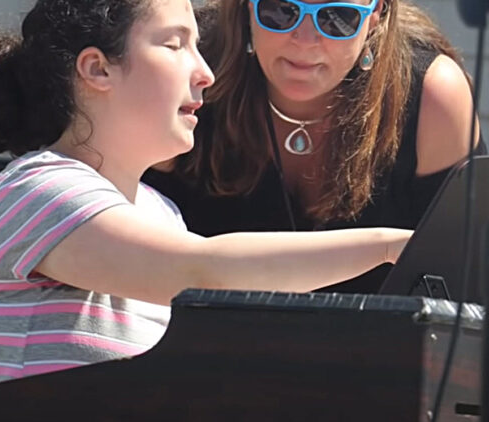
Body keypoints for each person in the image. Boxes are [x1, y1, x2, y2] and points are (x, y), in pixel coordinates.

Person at [0, 0, 411, 422]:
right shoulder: (36, 190)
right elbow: (202, 271)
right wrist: (389, 246)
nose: (205, 73)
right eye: (176, 44)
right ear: (97, 69)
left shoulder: (162, 215)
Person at [142, 0, 486, 291]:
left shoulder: (432, 95)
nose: (305, 40)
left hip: (378, 359)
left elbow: (460, 283)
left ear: (376, 14)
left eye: (337, 18)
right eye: (281, 11)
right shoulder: (188, 71)